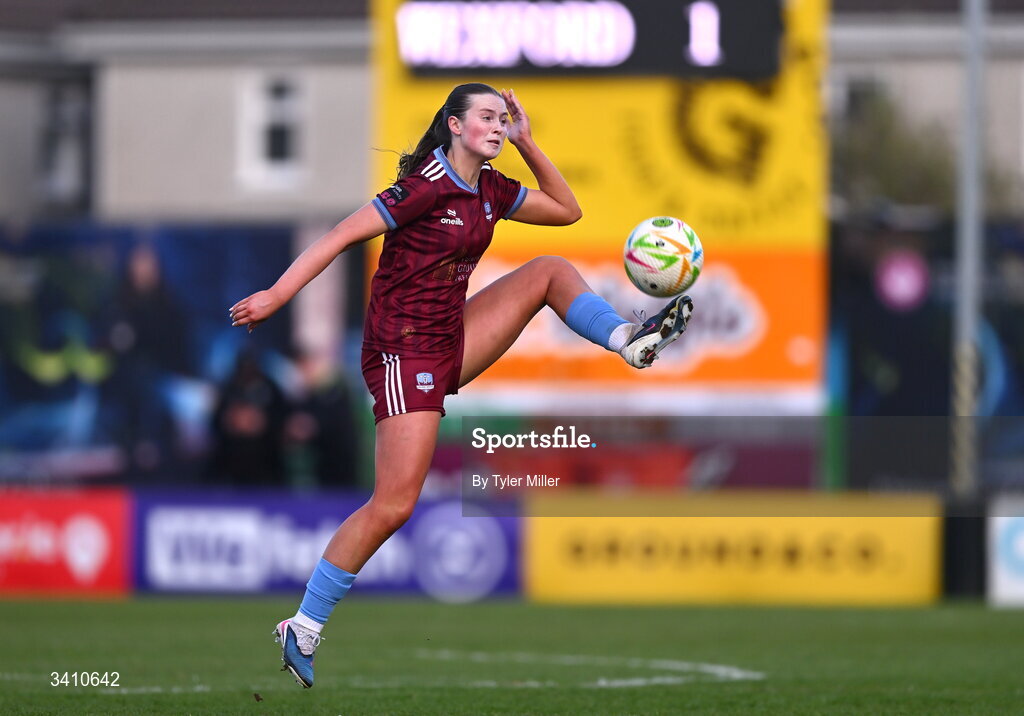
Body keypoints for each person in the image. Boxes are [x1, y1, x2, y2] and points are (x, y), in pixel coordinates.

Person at [228, 83, 694, 688]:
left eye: (504, 119)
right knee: (394, 504)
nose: (498, 127)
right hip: (401, 351)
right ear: (454, 124)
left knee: (549, 271)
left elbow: (567, 210)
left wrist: (528, 142)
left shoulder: (492, 189)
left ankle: (628, 342)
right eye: (488, 118)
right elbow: (341, 235)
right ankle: (304, 625)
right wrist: (277, 296)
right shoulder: (424, 184)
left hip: (449, 336)